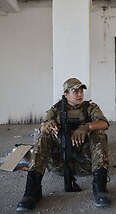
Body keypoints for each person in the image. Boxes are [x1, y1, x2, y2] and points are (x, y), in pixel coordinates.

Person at [17, 78, 111, 211]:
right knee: (43, 136)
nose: (80, 94)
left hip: (86, 163)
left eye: (81, 91)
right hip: (60, 164)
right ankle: (32, 190)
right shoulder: (56, 109)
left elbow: (104, 123)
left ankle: (100, 186)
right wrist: (47, 125)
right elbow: (42, 127)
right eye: (75, 91)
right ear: (66, 94)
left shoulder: (89, 108)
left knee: (99, 134)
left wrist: (87, 127)